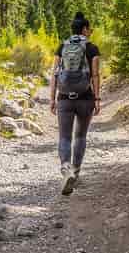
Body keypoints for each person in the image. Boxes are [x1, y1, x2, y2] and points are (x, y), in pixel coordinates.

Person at [49, 12, 101, 196]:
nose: (91, 32)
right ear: (85, 29)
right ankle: (76, 172)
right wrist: (97, 98)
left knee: (64, 137)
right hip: (85, 97)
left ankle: (66, 169)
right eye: (90, 29)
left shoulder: (61, 46)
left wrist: (52, 98)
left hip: (64, 98)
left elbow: (55, 73)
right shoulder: (91, 48)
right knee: (80, 136)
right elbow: (95, 74)